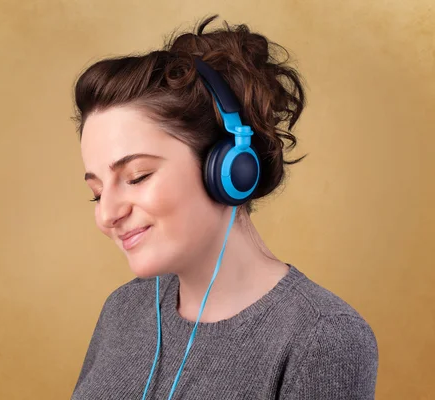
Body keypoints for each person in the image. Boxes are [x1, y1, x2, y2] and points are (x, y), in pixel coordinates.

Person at [70, 15, 379, 400]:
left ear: (230, 168)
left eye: (136, 176)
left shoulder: (322, 336)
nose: (106, 215)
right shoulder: (123, 310)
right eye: (97, 193)